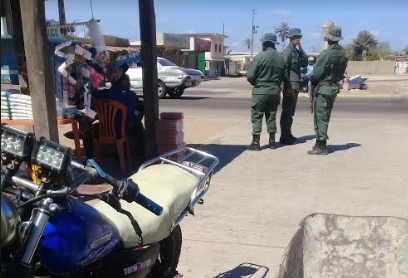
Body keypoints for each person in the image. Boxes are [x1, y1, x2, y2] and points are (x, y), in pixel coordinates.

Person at [308, 26, 348, 155]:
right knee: (326, 116)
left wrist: (313, 82)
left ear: (329, 39)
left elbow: (316, 74)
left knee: (320, 117)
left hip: (324, 88)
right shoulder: (343, 53)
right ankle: (319, 142)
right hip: (333, 88)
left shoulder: (326, 53)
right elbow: (342, 72)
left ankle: (321, 145)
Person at [246, 33, 285, 151]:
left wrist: (256, 83)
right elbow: (283, 76)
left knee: (257, 116)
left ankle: (256, 143)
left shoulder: (260, 57)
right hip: (275, 92)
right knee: (271, 116)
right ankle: (272, 142)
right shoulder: (280, 57)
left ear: (265, 44)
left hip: (261, 91)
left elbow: (250, 75)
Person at [280, 28, 308, 145]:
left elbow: (305, 62)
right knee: (287, 112)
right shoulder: (287, 52)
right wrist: (286, 87)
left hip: (295, 85)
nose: (298, 39)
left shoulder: (296, 52)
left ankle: (288, 134)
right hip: (290, 86)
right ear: (290, 38)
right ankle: (284, 137)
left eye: (299, 37)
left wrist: (301, 48)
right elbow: (284, 70)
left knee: (290, 112)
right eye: (296, 37)